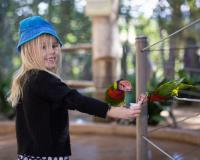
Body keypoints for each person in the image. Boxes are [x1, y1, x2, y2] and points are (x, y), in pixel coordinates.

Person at [8, 16, 145, 160]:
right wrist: (113, 111)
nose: (52, 51)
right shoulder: (42, 79)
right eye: (43, 47)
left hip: (28, 154)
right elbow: (75, 99)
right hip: (47, 156)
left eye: (54, 46)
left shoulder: (26, 79)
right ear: (29, 51)